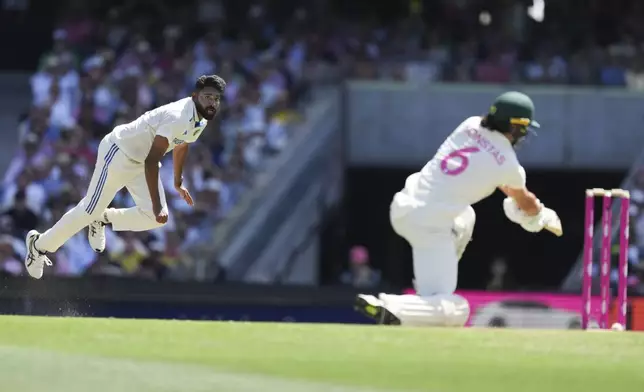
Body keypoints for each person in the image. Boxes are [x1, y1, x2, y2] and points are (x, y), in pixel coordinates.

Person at [355, 91, 557, 327]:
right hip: (431, 226)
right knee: (457, 310)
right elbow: (524, 203)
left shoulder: (469, 124)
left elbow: (489, 173)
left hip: (404, 206)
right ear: (516, 128)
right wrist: (541, 215)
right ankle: (389, 305)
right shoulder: (510, 165)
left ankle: (430, 293)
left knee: (466, 214)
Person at [24, 74, 226, 279]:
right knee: (89, 210)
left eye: (216, 98)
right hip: (119, 152)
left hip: (141, 160)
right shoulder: (178, 116)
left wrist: (177, 181)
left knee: (154, 219)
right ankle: (38, 246)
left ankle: (103, 219)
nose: (212, 102)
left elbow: (182, 144)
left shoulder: (201, 120)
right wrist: (157, 202)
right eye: (208, 96)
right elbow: (151, 162)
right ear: (195, 96)